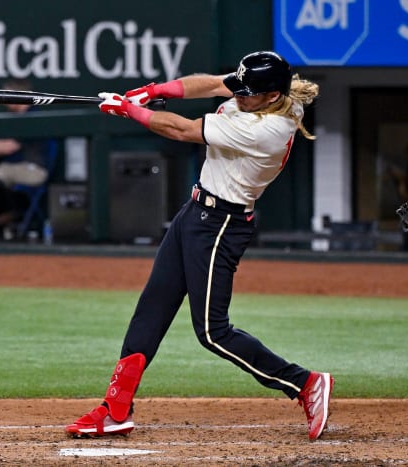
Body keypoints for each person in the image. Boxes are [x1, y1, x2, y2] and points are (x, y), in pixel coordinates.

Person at [65, 51, 333, 441]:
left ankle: (305, 384)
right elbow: (209, 83)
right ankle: (116, 408)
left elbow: (181, 131)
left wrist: (128, 111)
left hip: (221, 224)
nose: (238, 96)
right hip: (196, 212)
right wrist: (152, 91)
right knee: (151, 310)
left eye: (247, 94)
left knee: (212, 331)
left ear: (272, 95)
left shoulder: (266, 130)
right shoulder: (261, 92)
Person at [0, 79, 51, 188]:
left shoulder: (32, 117)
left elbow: (9, 147)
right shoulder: (16, 116)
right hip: (14, 166)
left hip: (31, 169)